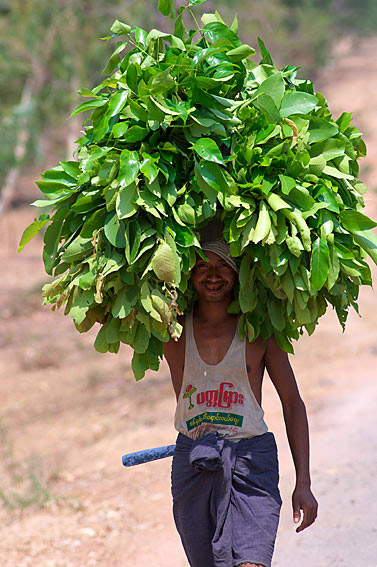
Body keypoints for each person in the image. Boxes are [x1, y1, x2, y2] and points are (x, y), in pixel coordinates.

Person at [163, 234, 318, 567]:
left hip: (252, 460)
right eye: (203, 265)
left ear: (238, 274)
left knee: (252, 562)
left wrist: (302, 482)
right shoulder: (172, 332)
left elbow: (293, 404)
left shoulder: (258, 332)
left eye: (224, 266)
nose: (214, 275)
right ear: (189, 274)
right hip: (194, 460)